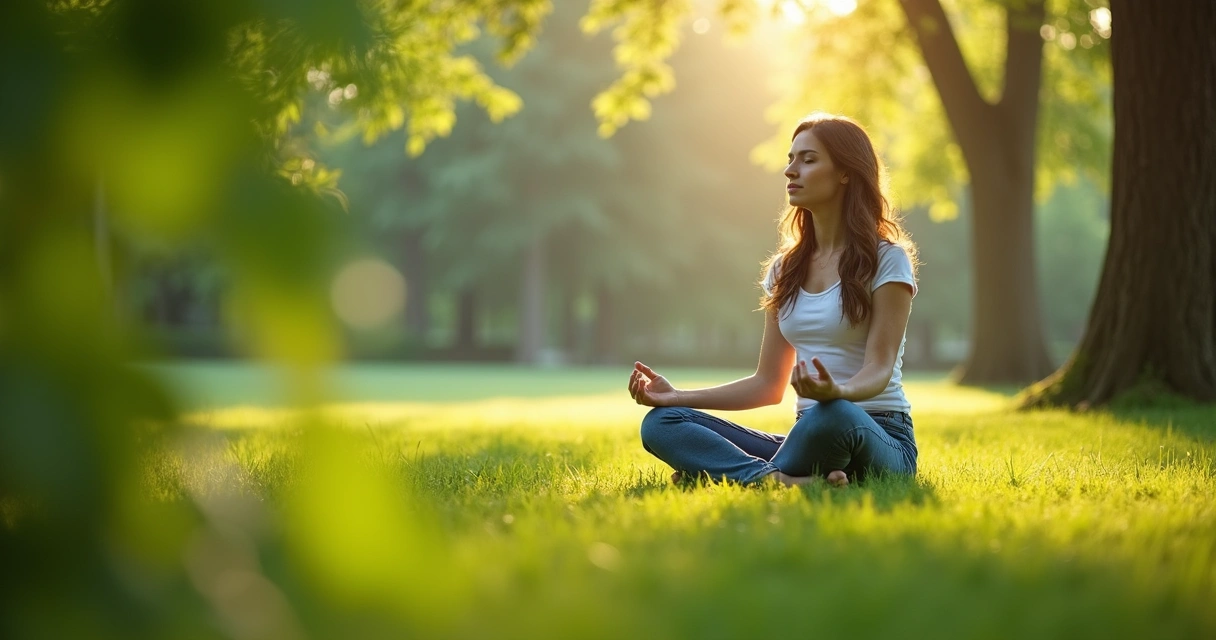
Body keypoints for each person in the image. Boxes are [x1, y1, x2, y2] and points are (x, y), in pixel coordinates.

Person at [629, 113, 919, 488]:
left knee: (832, 416)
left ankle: (721, 474)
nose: (790, 171)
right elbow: (767, 384)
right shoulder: (785, 269)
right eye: (790, 159)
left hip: (876, 434)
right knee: (662, 423)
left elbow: (879, 368)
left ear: (846, 173)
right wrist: (674, 396)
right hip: (807, 437)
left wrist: (838, 393)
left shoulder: (887, 259)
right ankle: (777, 480)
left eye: (808, 159)